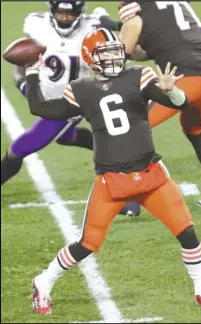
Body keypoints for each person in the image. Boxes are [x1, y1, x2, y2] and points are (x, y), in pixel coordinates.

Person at [24, 28, 201, 313]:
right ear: (91, 58)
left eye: (116, 50)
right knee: (87, 244)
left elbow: (179, 102)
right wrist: (32, 73)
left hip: (151, 175)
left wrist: (173, 90)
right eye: (106, 53)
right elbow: (41, 108)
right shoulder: (81, 89)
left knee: (187, 232)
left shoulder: (138, 76)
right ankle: (43, 281)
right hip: (112, 182)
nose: (115, 57)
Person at [1, 1, 138, 215]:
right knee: (66, 137)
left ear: (80, 12)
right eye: (60, 12)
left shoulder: (92, 27)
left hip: (72, 100)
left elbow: (126, 46)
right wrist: (25, 84)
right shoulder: (36, 24)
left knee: (21, 148)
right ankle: (114, 152)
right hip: (43, 94)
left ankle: (127, 194)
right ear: (52, 10)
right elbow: (23, 58)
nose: (65, 18)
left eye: (70, 13)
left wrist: (114, 24)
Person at [118, 1, 201, 209]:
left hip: (185, 81)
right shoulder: (173, 6)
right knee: (195, 130)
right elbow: (154, 44)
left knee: (131, 127)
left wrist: (111, 33)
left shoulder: (136, 12)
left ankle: (133, 199)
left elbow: (123, 52)